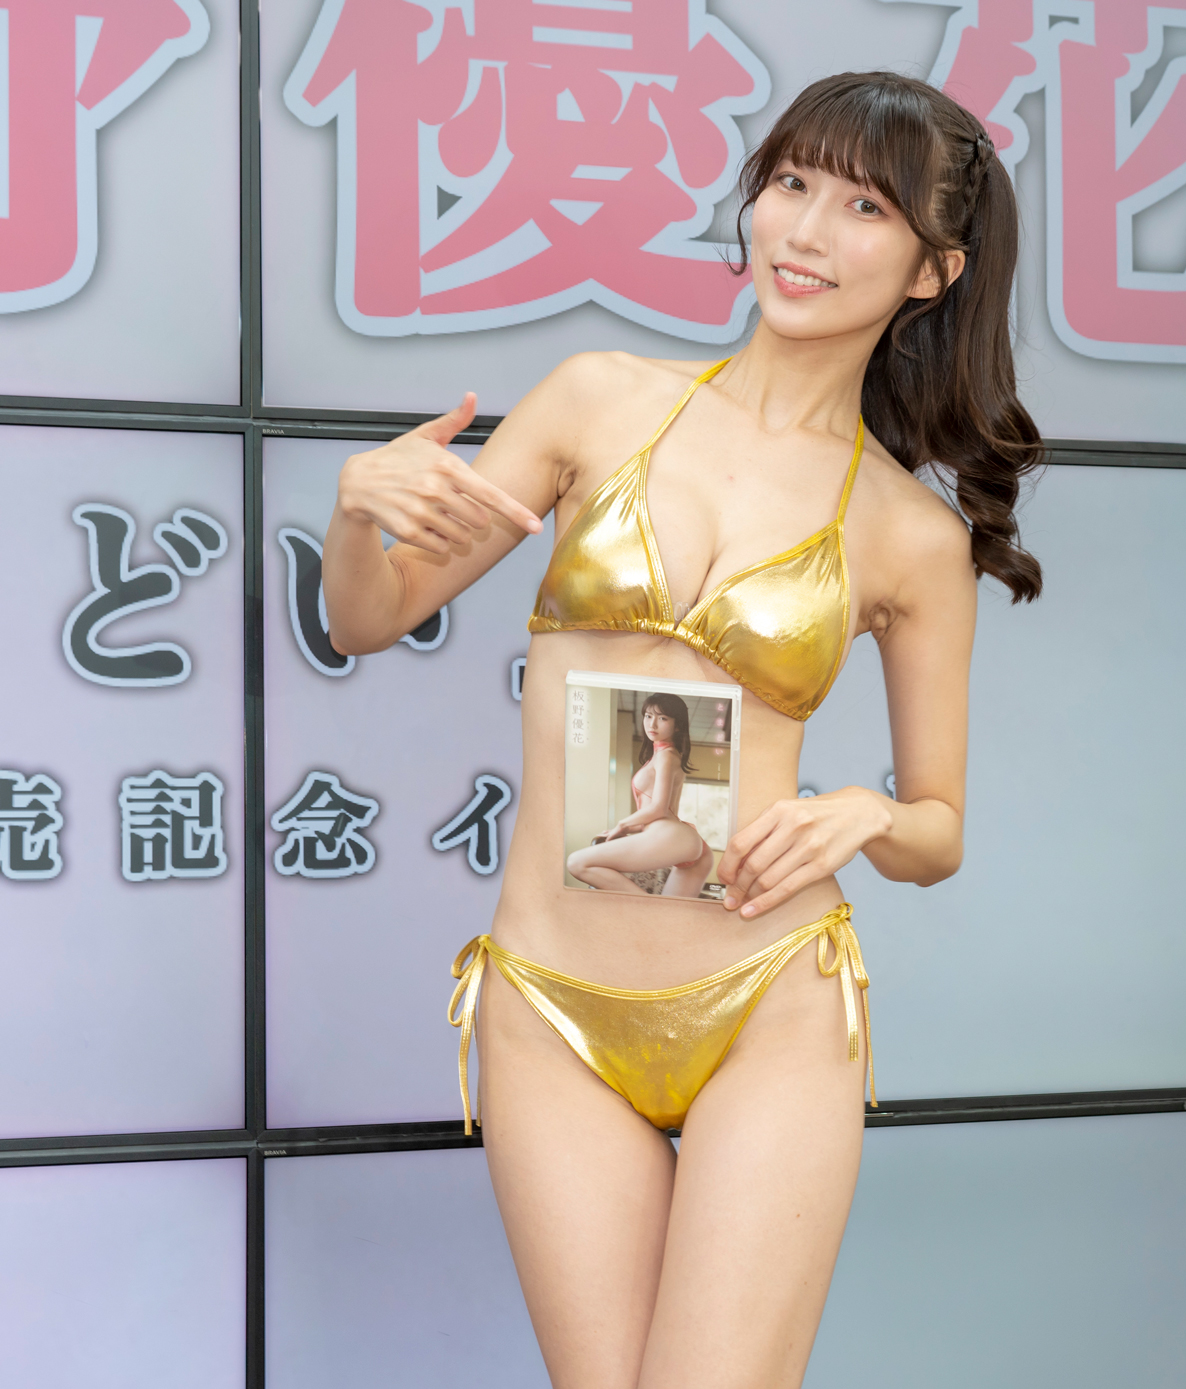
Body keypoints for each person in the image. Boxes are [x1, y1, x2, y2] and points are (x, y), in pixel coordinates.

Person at [323, 70, 1041, 1389]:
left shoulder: (910, 534)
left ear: (932, 270)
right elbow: (369, 618)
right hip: (547, 998)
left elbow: (939, 831)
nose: (804, 231)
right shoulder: (596, 399)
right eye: (791, 184)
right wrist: (356, 511)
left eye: (864, 208)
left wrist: (870, 813)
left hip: (766, 994)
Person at [566, 692, 716, 899]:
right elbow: (657, 815)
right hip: (686, 843)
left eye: (663, 718)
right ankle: (648, 909)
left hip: (674, 837)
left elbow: (659, 809)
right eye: (648, 716)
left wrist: (622, 825)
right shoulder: (661, 756)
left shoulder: (666, 756)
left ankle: (644, 907)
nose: (652, 724)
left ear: (677, 726)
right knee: (667, 914)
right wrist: (628, 828)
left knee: (576, 862)